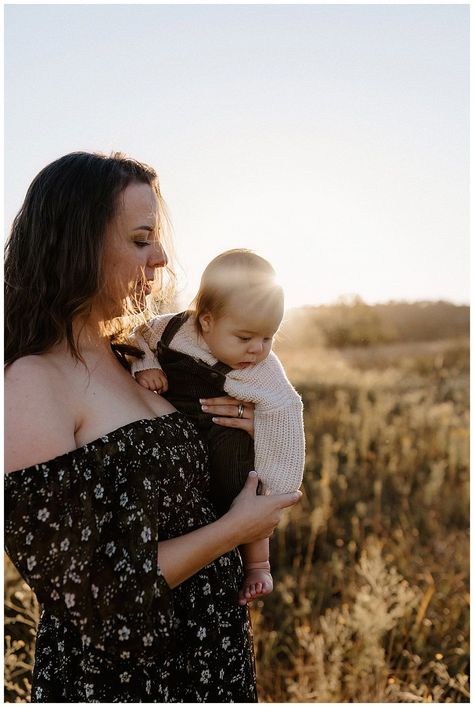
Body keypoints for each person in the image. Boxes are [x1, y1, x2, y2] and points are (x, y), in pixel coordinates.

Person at [4, 151, 302, 703]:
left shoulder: (137, 360)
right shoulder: (31, 383)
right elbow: (87, 589)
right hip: (128, 680)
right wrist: (234, 532)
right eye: (142, 239)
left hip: (214, 657)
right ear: (79, 244)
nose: (162, 257)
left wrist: (245, 430)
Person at [131, 249, 305, 606]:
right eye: (244, 338)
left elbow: (287, 407)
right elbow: (137, 336)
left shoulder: (262, 368)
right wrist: (145, 365)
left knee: (247, 487)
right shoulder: (173, 328)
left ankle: (258, 565)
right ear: (206, 320)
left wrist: (278, 484)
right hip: (179, 435)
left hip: (225, 439)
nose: (258, 349)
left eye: (268, 338)